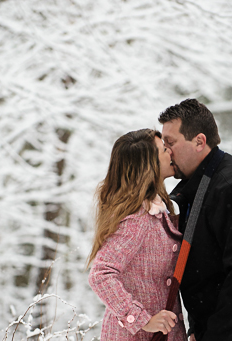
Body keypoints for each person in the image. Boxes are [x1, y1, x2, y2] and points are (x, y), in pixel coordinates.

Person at [88, 129, 186, 341]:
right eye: (163, 149)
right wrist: (141, 319)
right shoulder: (138, 217)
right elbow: (101, 274)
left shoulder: (158, 209)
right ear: (149, 164)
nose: (170, 152)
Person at [158, 98, 232, 341]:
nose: (166, 152)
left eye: (170, 143)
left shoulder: (226, 186)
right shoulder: (191, 190)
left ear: (199, 141)